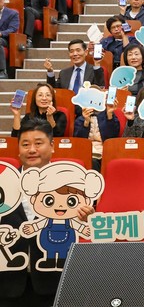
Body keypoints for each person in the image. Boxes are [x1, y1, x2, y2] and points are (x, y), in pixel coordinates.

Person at [0, 118, 95, 307]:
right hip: (7, 282)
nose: (31, 150)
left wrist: (88, 218)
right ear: (18, 149)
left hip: (54, 281)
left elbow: (88, 230)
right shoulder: (4, 182)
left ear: (52, 146)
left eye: (38, 143)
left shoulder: (73, 185)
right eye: (25, 144)